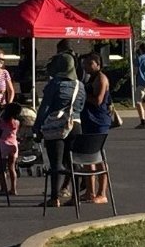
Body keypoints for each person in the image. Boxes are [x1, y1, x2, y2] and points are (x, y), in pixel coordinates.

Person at [35, 54, 85, 207]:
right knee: (73, 162)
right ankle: (75, 197)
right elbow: (81, 106)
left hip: (57, 125)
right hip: (76, 124)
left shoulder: (55, 84)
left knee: (56, 163)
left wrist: (37, 127)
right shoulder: (80, 85)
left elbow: (45, 107)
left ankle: (54, 197)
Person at [77, 53, 112, 203]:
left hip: (99, 123)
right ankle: (89, 192)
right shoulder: (90, 78)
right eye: (85, 64)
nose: (86, 66)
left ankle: (102, 193)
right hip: (88, 121)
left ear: (98, 64)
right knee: (88, 157)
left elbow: (98, 100)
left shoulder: (101, 78)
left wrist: (83, 95)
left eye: (90, 63)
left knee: (99, 157)